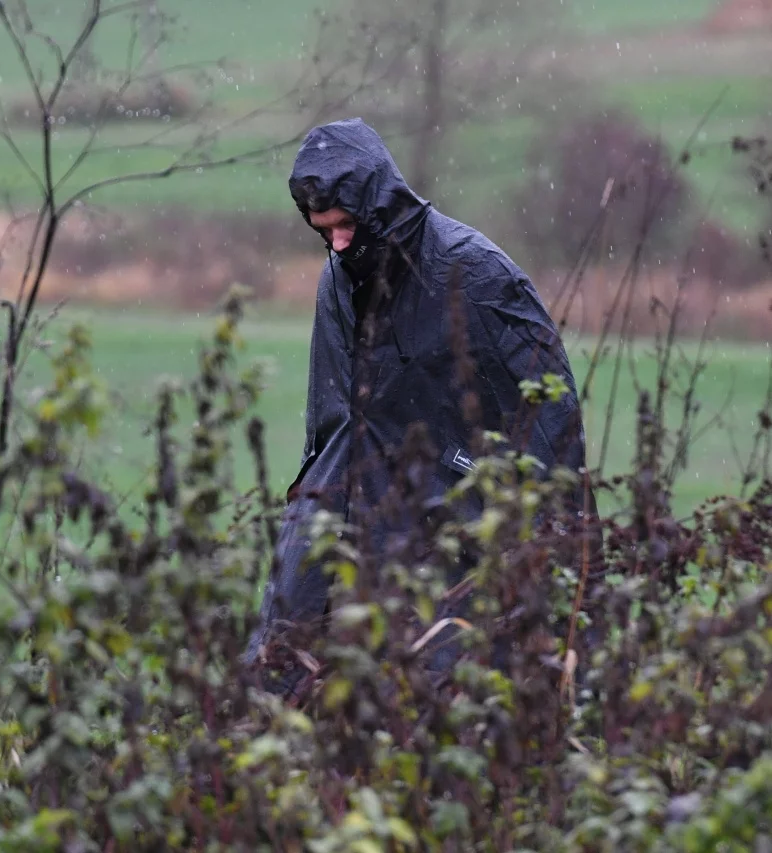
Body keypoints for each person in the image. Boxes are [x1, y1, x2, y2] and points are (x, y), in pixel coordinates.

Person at [242, 117, 602, 695]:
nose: (335, 242)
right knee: (277, 673)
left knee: (434, 698)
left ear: (379, 205)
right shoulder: (337, 279)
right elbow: (330, 418)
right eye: (322, 228)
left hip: (451, 520)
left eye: (345, 225)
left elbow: (548, 423)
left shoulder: (476, 274)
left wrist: (555, 548)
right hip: (347, 506)